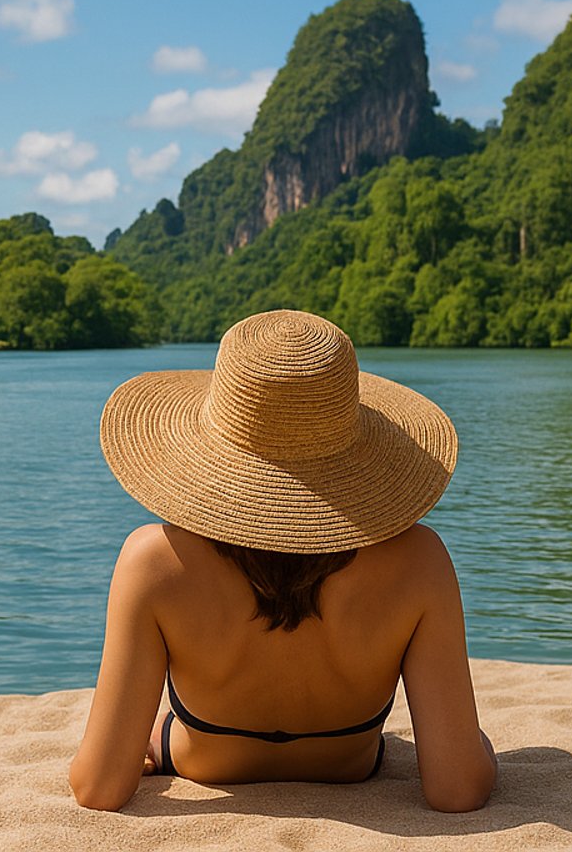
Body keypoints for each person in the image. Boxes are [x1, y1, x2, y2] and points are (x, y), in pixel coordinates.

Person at [69, 309, 497, 813]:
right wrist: (480, 750)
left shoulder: (155, 561)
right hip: (350, 768)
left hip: (205, 763)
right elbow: (457, 788)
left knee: (157, 733)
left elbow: (97, 788)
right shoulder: (418, 561)